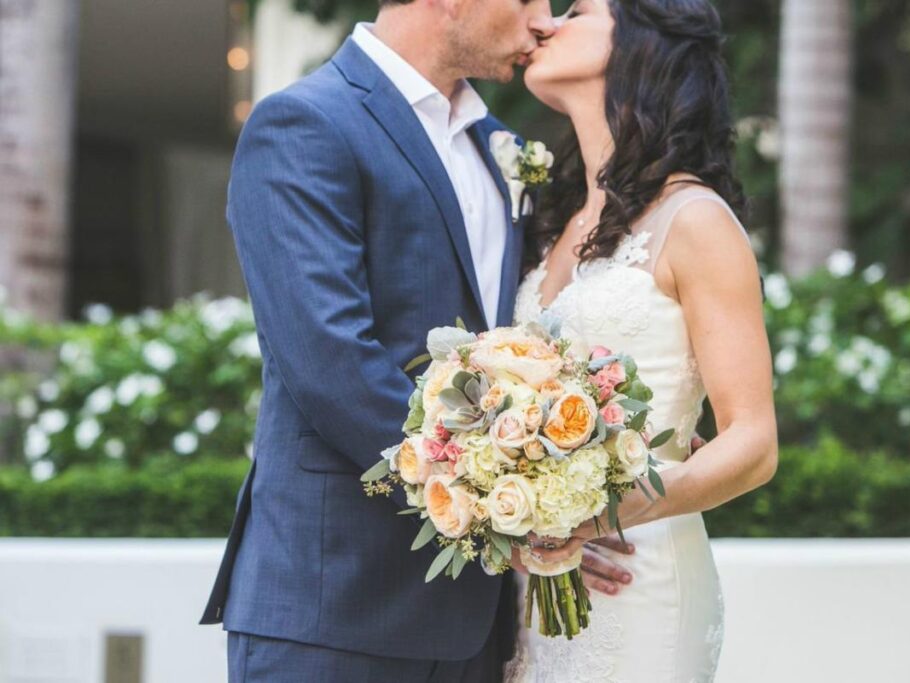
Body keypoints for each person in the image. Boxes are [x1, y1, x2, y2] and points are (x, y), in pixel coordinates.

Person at [196, 1, 636, 681]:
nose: (544, 20)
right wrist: (504, 512)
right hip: (335, 605)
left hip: (478, 622)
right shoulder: (305, 123)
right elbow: (331, 363)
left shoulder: (501, 146)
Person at [505, 1, 778, 680]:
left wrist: (604, 514)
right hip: (542, 588)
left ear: (641, 43)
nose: (546, 23)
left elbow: (754, 443)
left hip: (641, 579)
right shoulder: (556, 221)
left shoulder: (695, 219)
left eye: (577, 10)